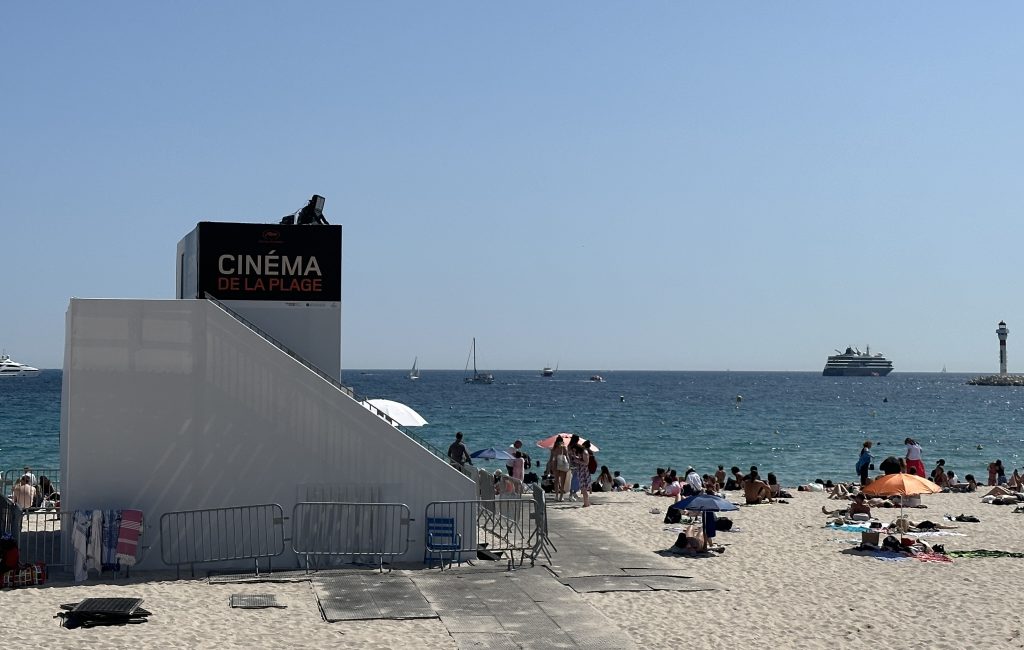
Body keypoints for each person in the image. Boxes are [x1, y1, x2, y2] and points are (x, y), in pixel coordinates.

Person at [549, 438, 570, 502]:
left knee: (556, 481)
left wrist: (549, 467)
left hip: (555, 464)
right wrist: (569, 464)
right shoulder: (564, 448)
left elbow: (551, 459)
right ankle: (561, 497)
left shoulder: (553, 449)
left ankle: (556, 496)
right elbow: (567, 457)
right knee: (562, 481)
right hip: (563, 464)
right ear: (562, 441)